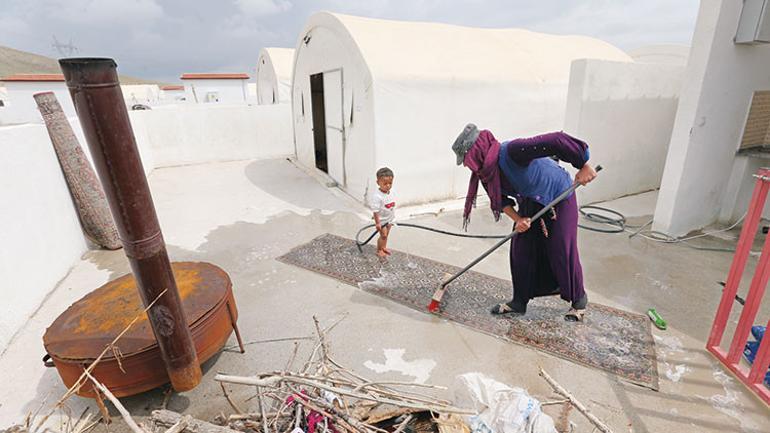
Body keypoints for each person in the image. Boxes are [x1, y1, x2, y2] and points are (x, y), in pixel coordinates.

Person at [452, 124, 597, 321]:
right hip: (529, 200)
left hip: (558, 194)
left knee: (561, 247)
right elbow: (501, 201)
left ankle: (579, 299)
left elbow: (556, 140)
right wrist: (518, 219)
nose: (467, 166)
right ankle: (519, 302)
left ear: (475, 152)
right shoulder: (486, 172)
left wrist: (583, 164)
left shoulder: (512, 151)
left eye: (466, 160)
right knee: (521, 249)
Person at [368, 167, 396, 258]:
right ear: (378, 183)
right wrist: (378, 223)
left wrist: (392, 218)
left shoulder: (390, 192)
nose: (388, 186)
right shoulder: (377, 196)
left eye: (390, 183)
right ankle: (379, 250)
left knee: (386, 235)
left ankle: (383, 247)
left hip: (389, 219)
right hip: (382, 220)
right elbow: (375, 211)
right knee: (383, 235)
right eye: (385, 183)